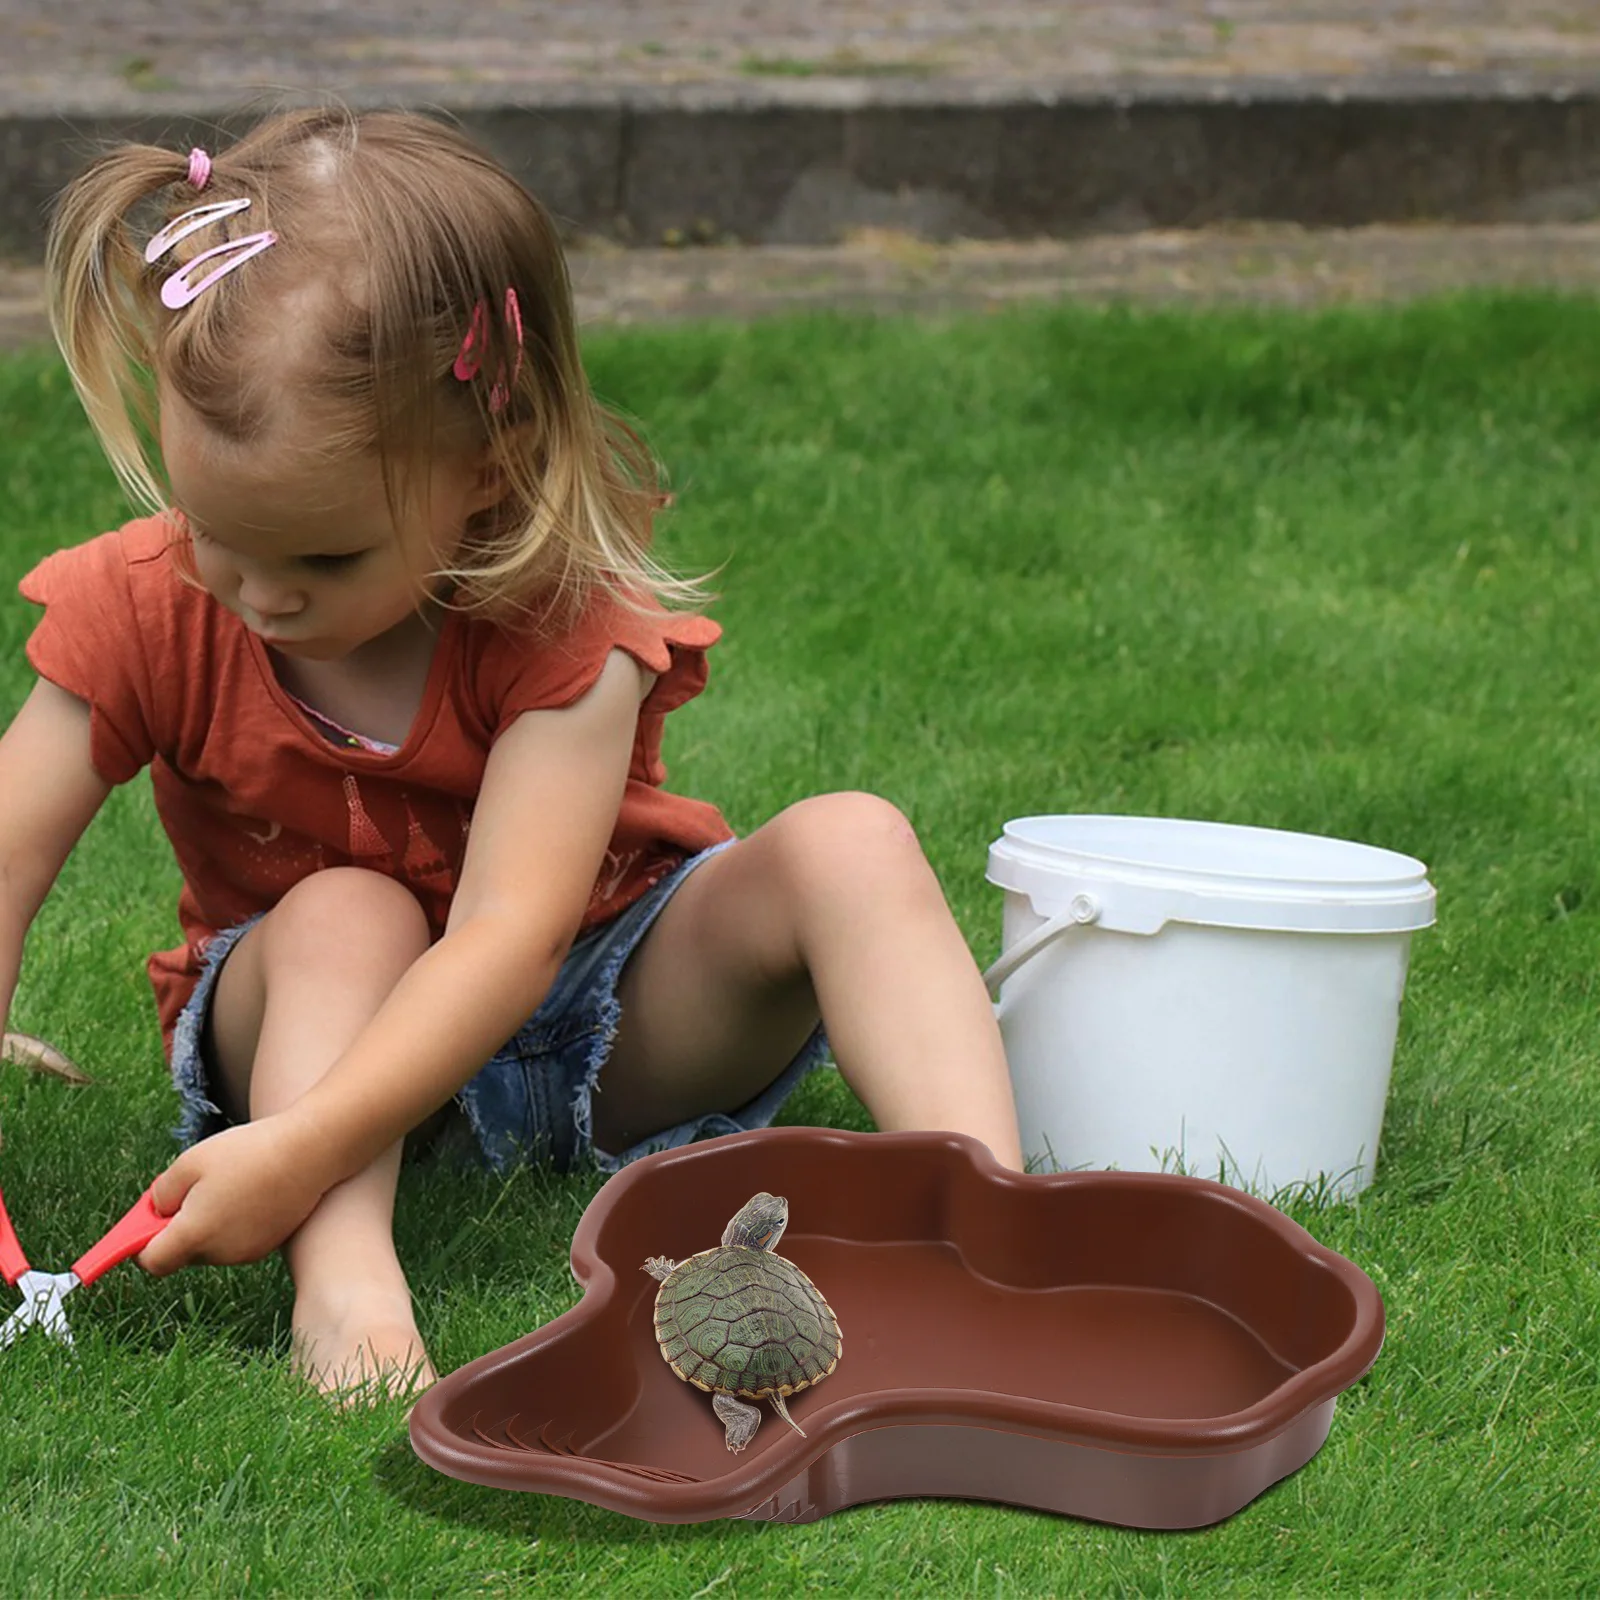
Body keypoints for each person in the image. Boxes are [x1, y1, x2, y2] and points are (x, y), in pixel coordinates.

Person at [2, 108, 1022, 1399]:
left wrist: (296, 1144)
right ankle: (348, 1278)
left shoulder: (564, 622)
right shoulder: (151, 602)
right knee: (346, 911)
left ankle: (987, 1232)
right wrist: (305, 1133)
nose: (254, 594)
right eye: (212, 528)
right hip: (312, 1031)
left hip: (583, 1016)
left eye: (322, 559)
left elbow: (510, 937)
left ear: (490, 470)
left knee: (854, 845)